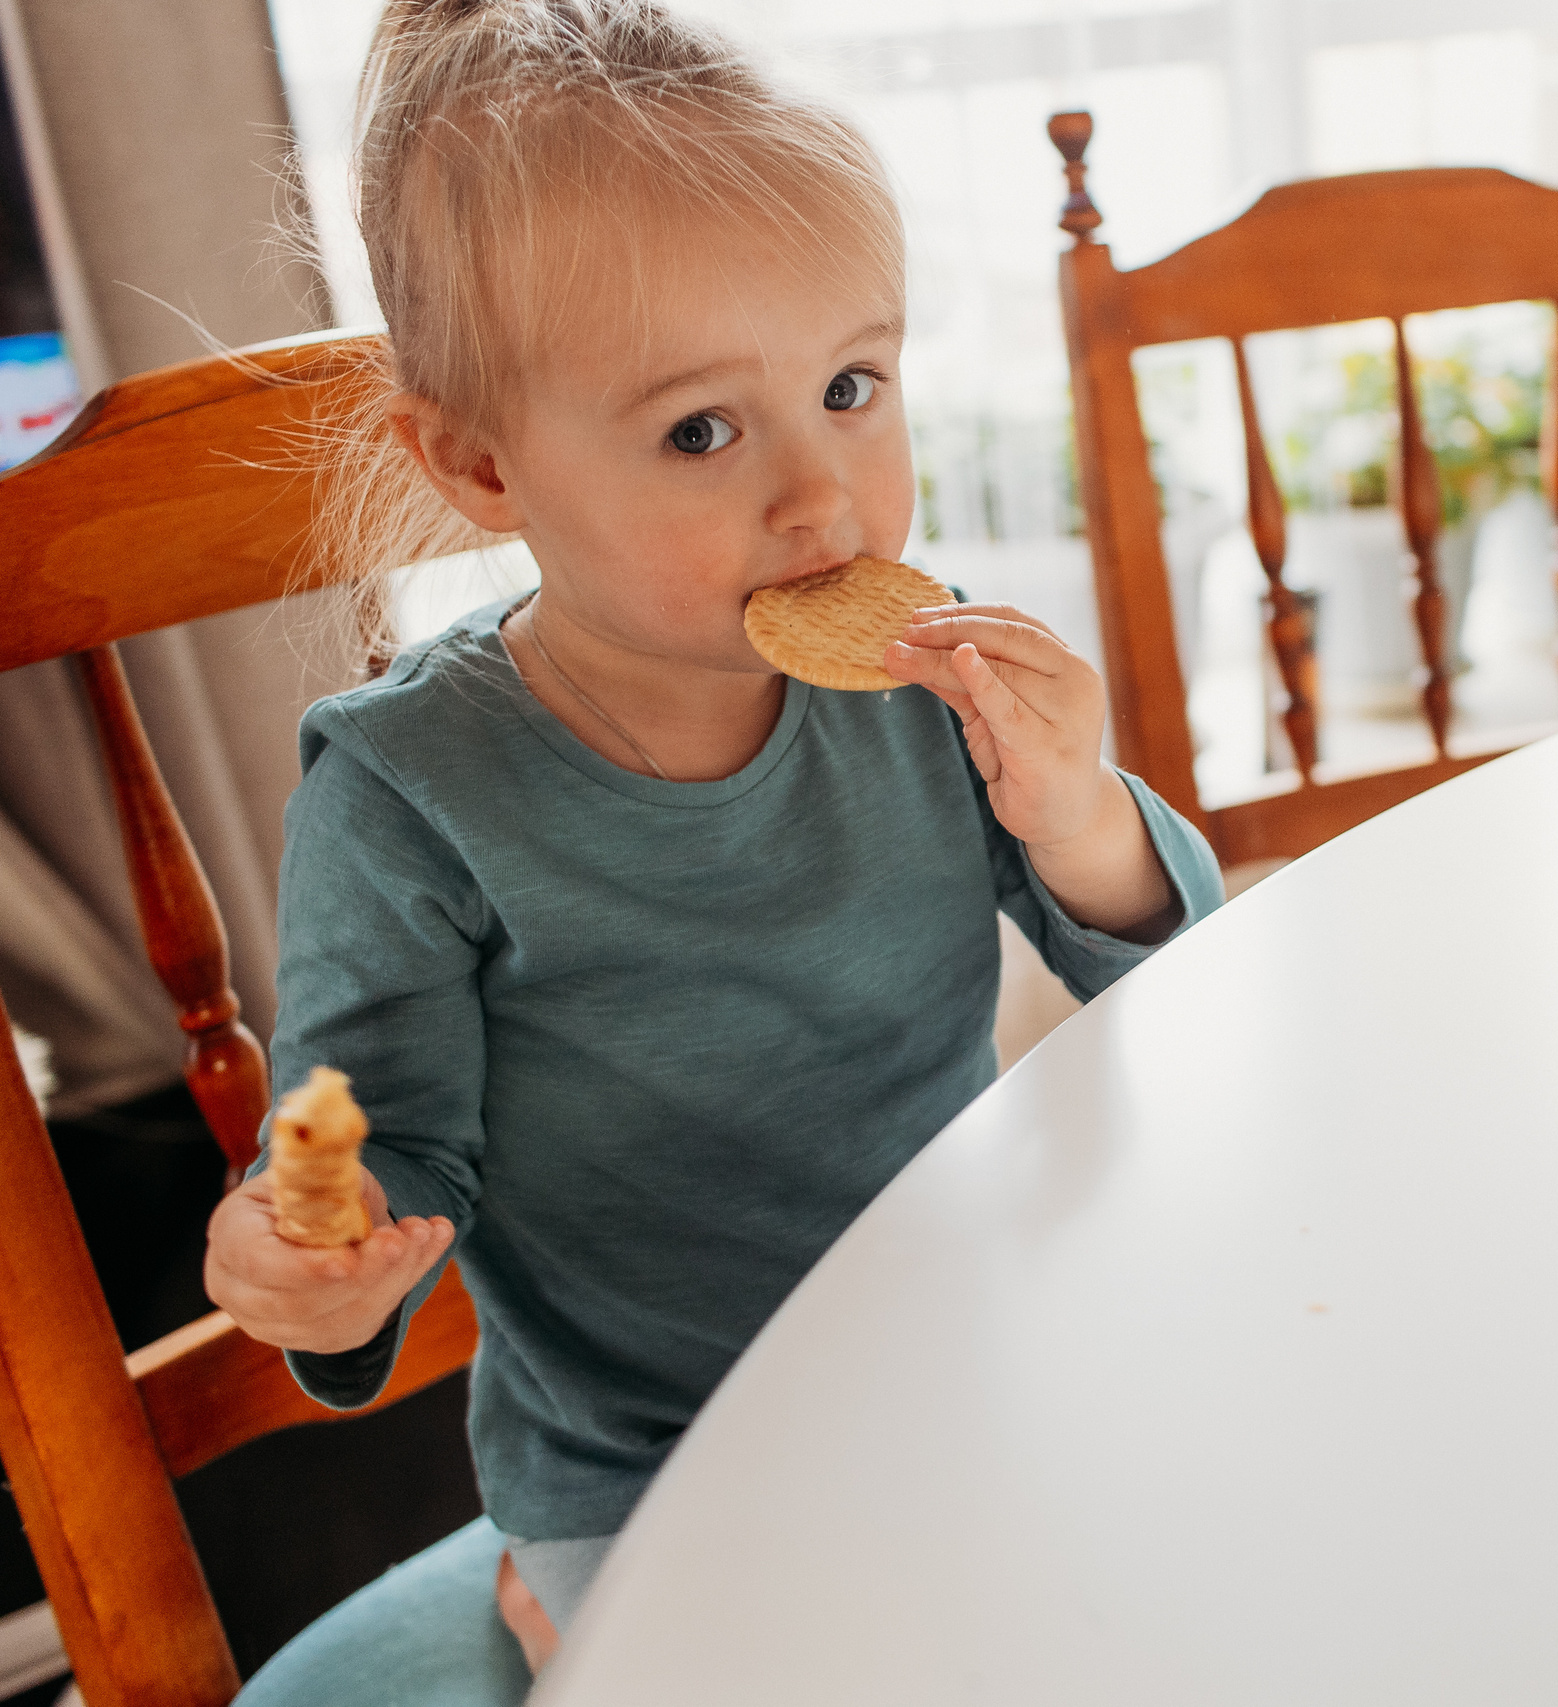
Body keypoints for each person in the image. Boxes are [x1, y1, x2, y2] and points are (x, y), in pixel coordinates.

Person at [205, 1, 1223, 1693]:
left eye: (851, 386)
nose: (822, 502)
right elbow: (381, 1148)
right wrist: (314, 1249)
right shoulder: (409, 792)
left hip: (965, 1350)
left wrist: (1086, 814)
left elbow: (1157, 967)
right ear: (478, 463)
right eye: (701, 431)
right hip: (646, 1461)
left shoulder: (916, 677)